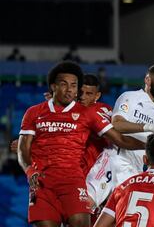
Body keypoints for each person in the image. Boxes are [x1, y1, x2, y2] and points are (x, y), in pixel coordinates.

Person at [17, 61, 145, 227]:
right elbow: (22, 148)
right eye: (64, 84)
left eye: (74, 85)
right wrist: (29, 170)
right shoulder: (34, 112)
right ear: (53, 86)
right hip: (43, 184)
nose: (69, 89)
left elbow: (119, 139)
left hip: (73, 183)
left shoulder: (87, 113)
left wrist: (149, 145)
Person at [87, 64, 154, 209]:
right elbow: (117, 124)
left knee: (120, 219)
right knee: (85, 206)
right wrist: (150, 127)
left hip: (135, 171)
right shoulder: (131, 97)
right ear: (148, 80)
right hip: (114, 160)